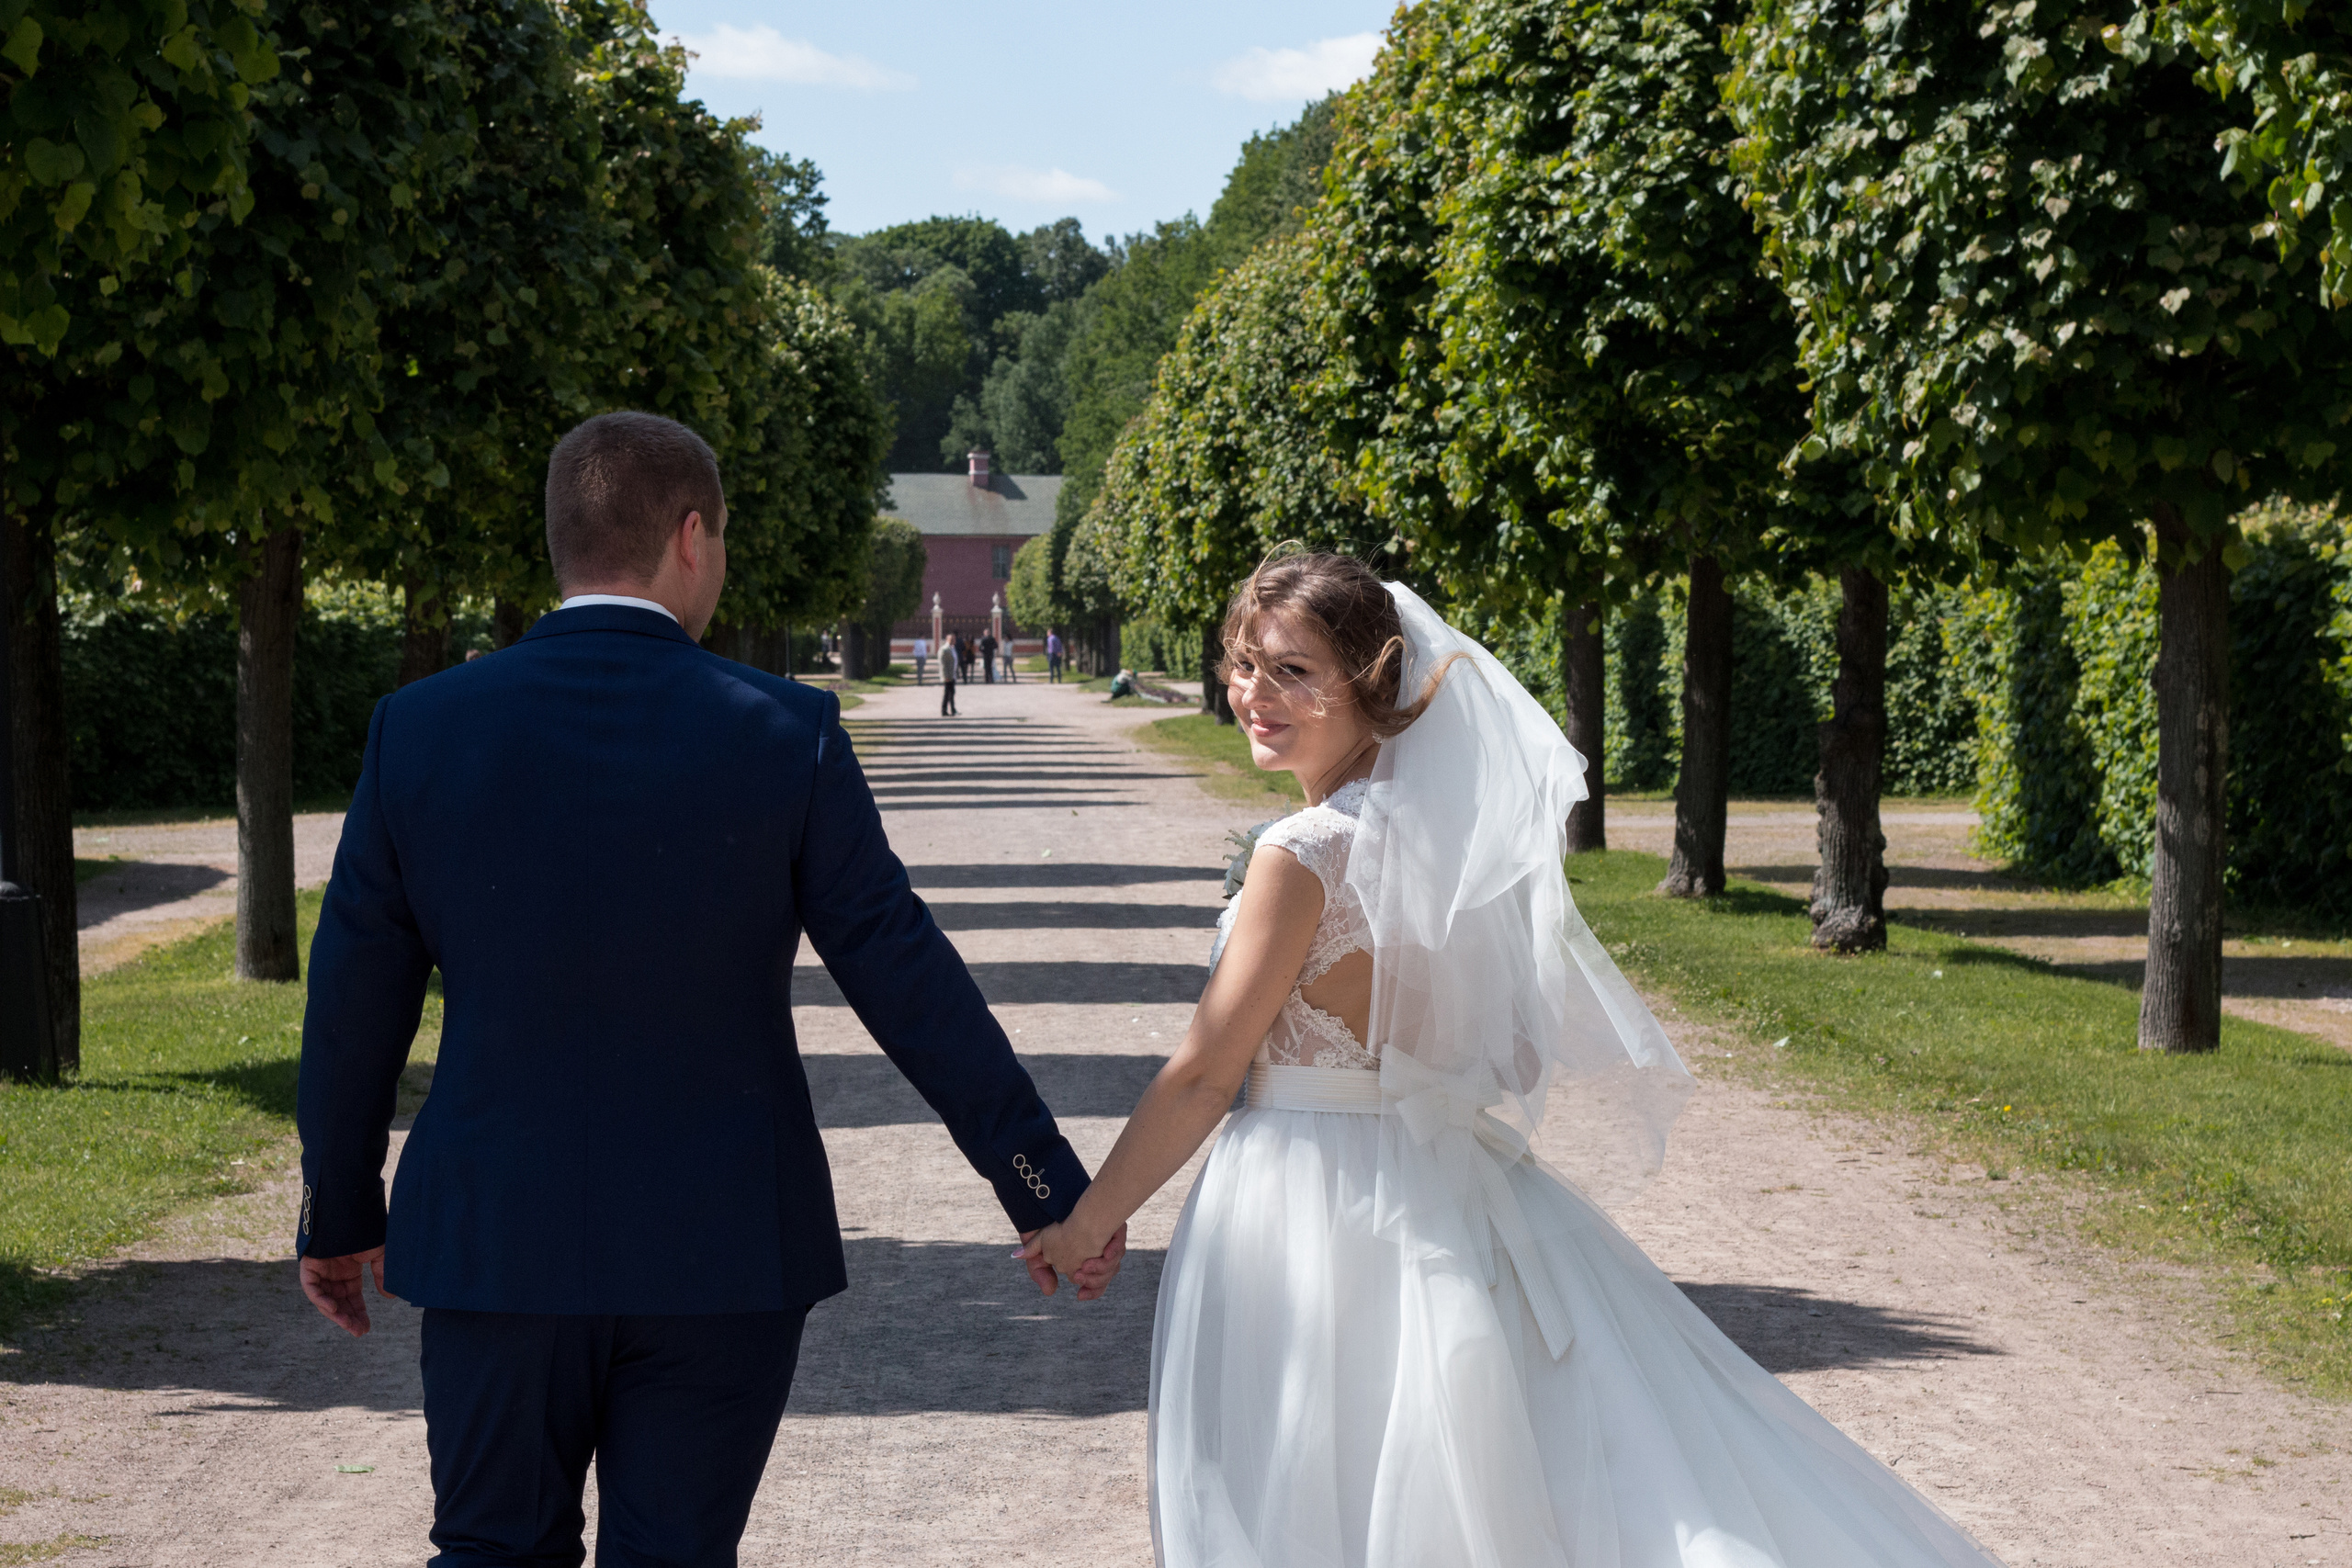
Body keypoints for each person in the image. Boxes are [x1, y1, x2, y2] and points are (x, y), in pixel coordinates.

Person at [1025, 551, 2005, 1568]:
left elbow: (1202, 1076)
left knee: (1313, 1481)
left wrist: (1087, 1223)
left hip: (1309, 1200)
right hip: (1444, 1187)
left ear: (1372, 682)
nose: (1253, 694)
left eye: (1293, 671)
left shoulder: (1300, 855)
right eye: (1243, 664)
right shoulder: (1448, 847)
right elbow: (1518, 1052)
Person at [294, 411, 1123, 1565]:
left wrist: (339, 1213)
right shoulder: (785, 732)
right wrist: (1042, 1184)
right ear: (692, 536)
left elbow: (352, 1004)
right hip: (723, 1241)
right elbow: (903, 973)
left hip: (496, 1237)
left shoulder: (419, 731)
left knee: (489, 1549)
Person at [939, 632, 960, 716]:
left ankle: (952, 709)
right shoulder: (944, 649)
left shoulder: (953, 648)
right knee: (947, 693)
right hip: (948, 675)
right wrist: (945, 676)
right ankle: (944, 710)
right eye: (951, 639)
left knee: (952, 692)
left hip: (953, 674)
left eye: (954, 639)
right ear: (947, 640)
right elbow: (943, 665)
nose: (953, 641)